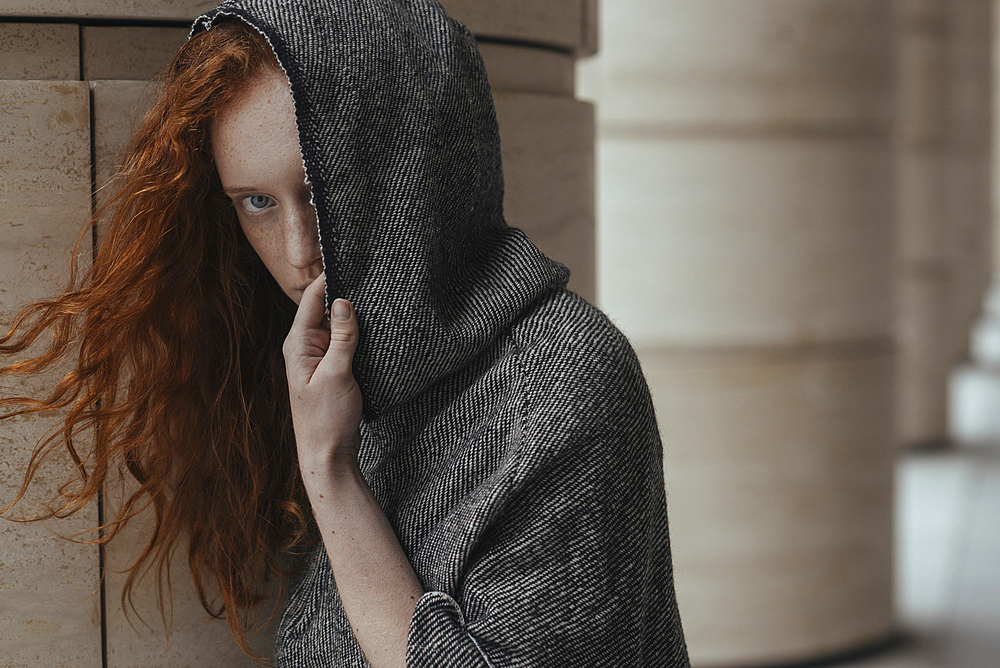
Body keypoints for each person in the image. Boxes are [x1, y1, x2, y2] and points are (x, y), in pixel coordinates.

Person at [0, 0, 689, 665]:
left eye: (321, 191)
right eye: (258, 203)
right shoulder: (329, 373)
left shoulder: (563, 378)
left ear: (414, 170)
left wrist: (334, 477)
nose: (299, 252)